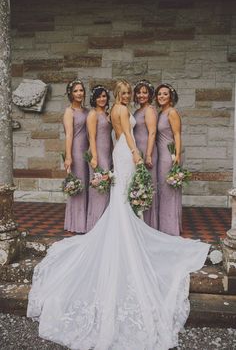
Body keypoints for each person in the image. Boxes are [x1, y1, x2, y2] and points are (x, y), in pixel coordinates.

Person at [27, 79, 210, 350]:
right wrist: (136, 156)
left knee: (122, 199)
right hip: (127, 154)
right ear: (119, 94)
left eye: (129, 93)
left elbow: (116, 136)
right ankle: (126, 235)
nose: (128, 96)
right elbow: (125, 133)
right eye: (125, 93)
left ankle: (125, 231)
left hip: (120, 154)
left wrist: (126, 154)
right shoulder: (122, 111)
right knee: (124, 198)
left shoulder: (114, 109)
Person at [155, 83, 182, 236]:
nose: (162, 97)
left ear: (171, 96)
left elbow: (177, 134)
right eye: (159, 94)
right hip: (160, 154)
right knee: (162, 189)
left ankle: (170, 227)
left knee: (168, 190)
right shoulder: (160, 113)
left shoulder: (172, 112)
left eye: (165, 94)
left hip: (168, 154)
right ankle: (163, 224)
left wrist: (177, 155)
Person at [63, 79, 89, 234]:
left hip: (88, 151)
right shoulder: (69, 112)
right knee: (79, 185)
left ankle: (86, 220)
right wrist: (68, 156)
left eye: (81, 90)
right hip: (77, 151)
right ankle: (77, 222)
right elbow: (69, 135)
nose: (79, 93)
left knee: (87, 183)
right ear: (70, 94)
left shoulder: (86, 111)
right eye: (76, 91)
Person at [86, 85, 112, 231]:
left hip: (108, 153)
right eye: (98, 96)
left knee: (107, 186)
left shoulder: (106, 114)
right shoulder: (93, 114)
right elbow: (91, 137)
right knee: (99, 188)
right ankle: (95, 225)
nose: (102, 99)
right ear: (94, 99)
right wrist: (95, 157)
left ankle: (105, 224)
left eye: (104, 96)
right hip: (98, 154)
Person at [133, 79, 158, 229]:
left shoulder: (149, 110)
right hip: (138, 152)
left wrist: (148, 154)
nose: (141, 95)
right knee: (141, 185)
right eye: (139, 92)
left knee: (148, 185)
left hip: (147, 151)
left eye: (144, 92)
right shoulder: (137, 111)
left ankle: (150, 224)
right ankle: (141, 222)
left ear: (149, 95)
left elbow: (152, 132)